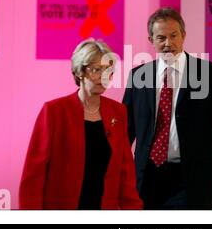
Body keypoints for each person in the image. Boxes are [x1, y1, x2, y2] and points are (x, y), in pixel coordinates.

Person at [123, 7, 212, 209]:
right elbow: (125, 131)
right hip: (147, 179)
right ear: (151, 40)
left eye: (173, 35)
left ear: (183, 35)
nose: (168, 43)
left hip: (193, 180)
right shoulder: (138, 76)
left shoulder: (210, 74)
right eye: (161, 37)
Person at [19, 39, 142, 209]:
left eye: (108, 71)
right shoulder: (54, 111)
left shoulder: (118, 112)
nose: (103, 77)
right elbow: (34, 175)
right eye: (96, 70)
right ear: (79, 72)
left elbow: (125, 173)